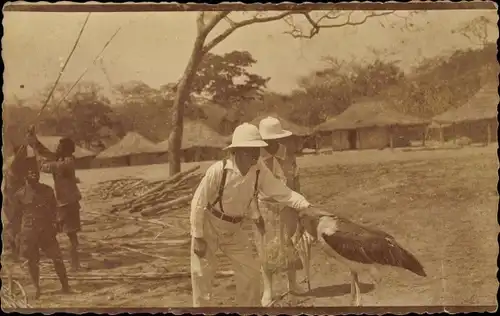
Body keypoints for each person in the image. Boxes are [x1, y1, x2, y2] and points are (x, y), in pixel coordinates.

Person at [190, 122, 313, 307]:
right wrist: (198, 235)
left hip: (234, 229)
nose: (255, 156)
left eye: (257, 150)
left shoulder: (259, 170)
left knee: (251, 273)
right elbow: (198, 202)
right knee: (202, 275)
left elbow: (282, 192)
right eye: (250, 151)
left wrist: (306, 205)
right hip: (210, 225)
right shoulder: (218, 170)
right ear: (236, 151)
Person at [255, 116, 312, 306]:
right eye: (267, 140)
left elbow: (296, 180)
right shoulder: (256, 157)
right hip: (266, 207)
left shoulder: (288, 154)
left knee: (289, 244)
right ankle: (268, 290)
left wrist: (300, 208)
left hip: (288, 206)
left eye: (274, 139)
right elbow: (252, 188)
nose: (271, 143)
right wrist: (255, 212)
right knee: (266, 249)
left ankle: (292, 283)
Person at [12, 156, 71, 299]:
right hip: (29, 232)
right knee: (33, 262)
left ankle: (66, 287)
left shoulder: (48, 190)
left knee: (57, 258)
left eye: (36, 172)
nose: (34, 175)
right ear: (24, 175)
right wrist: (17, 237)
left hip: (46, 232)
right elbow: (15, 218)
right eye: (30, 172)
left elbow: (54, 210)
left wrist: (56, 224)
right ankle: (36, 288)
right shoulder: (19, 194)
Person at [26, 126, 83, 271]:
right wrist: (33, 140)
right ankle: (69, 262)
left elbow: (45, 166)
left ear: (66, 150)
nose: (56, 149)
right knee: (63, 232)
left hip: (69, 203)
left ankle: (75, 264)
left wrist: (37, 158)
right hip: (63, 203)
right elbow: (44, 151)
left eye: (59, 147)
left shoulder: (66, 163)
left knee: (71, 235)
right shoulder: (62, 158)